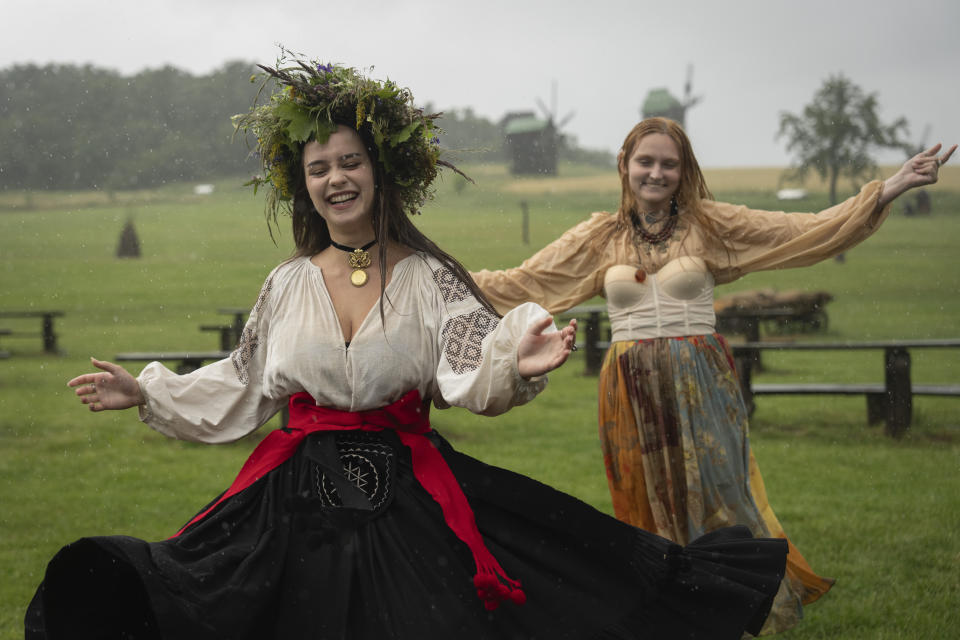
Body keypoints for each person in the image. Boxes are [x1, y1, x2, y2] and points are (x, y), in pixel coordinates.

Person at [24, 61, 788, 640]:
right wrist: (149, 392)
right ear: (305, 186)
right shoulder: (287, 283)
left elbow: (468, 361)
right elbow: (245, 378)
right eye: (318, 168)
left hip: (409, 498)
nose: (335, 179)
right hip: (292, 501)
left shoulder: (426, 278)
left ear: (380, 171)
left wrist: (511, 363)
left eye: (349, 162)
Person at [472, 116, 956, 634]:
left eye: (668, 164)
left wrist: (891, 186)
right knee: (649, 500)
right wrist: (428, 266)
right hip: (631, 386)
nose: (656, 173)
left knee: (719, 495)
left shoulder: (711, 225)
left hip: (700, 379)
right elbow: (523, 281)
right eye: (645, 161)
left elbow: (805, 229)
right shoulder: (599, 236)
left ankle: (723, 600)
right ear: (625, 165)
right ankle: (669, 608)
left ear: (684, 171)